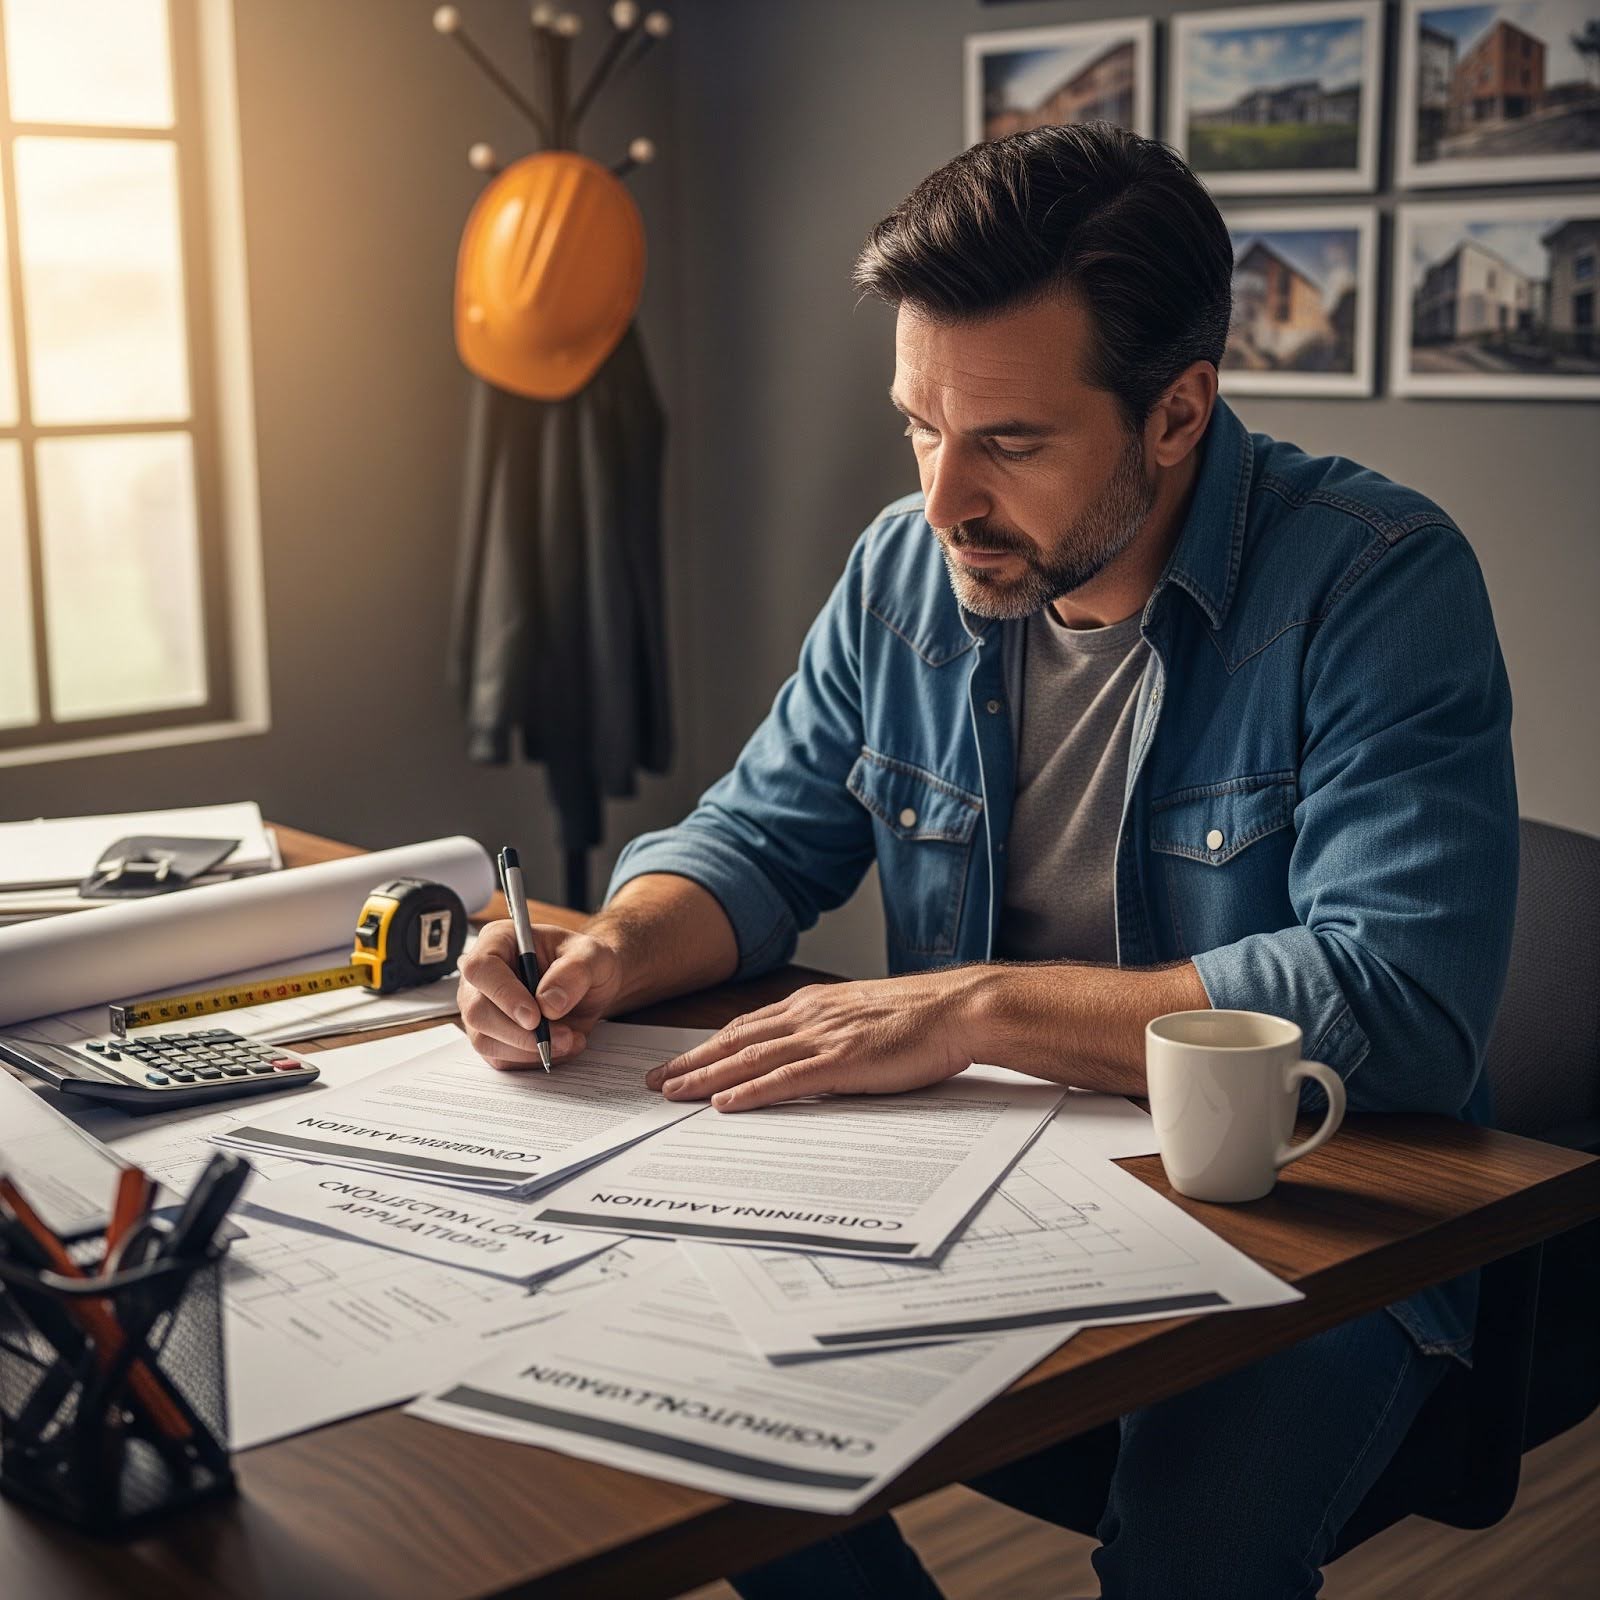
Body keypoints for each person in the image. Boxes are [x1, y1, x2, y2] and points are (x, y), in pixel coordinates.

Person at [457, 124, 1518, 1598]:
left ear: (1177, 411)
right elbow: (759, 837)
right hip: (981, 1183)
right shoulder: (906, 566)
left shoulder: (1378, 580)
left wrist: (973, 1007)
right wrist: (619, 944)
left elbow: (1396, 1000)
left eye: (1008, 443)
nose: (945, 496)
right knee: (710, 1425)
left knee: (1186, 1569)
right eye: (919, 424)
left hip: (1313, 1213)